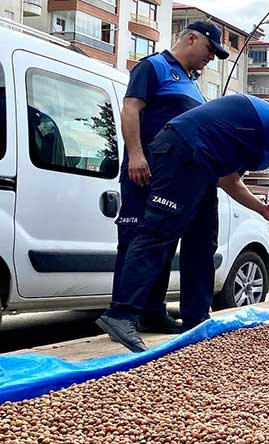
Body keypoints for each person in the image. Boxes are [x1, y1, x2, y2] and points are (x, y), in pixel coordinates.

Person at [96, 93, 269, 352]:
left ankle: (196, 321)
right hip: (183, 151)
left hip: (205, 166)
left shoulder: (261, 141)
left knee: (203, 242)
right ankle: (122, 314)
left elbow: (230, 181)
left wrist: (262, 209)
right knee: (158, 232)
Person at [105, 21, 228, 336]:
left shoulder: (192, 83)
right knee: (136, 238)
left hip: (175, 178)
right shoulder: (154, 67)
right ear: (191, 38)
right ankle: (123, 316)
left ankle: (152, 311)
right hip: (144, 170)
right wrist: (135, 155)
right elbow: (130, 109)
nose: (210, 58)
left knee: (164, 240)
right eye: (209, 50)